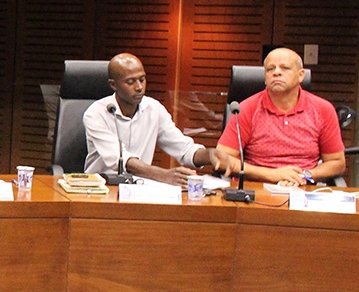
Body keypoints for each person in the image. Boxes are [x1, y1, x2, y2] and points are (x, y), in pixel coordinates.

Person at [83, 53, 222, 185]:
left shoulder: (154, 109)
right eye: (130, 82)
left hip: (139, 189)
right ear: (113, 85)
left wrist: (210, 155)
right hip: (99, 189)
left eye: (142, 79)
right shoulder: (96, 114)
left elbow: (183, 148)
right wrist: (163, 175)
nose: (139, 87)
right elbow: (120, 159)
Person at [216, 47, 345, 187]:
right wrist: (271, 174)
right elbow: (222, 159)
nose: (276, 72)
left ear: (301, 75)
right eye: (270, 69)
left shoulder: (323, 109)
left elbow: (337, 162)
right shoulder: (247, 108)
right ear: (265, 78)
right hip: (256, 190)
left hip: (302, 189)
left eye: (285, 68)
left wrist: (305, 175)